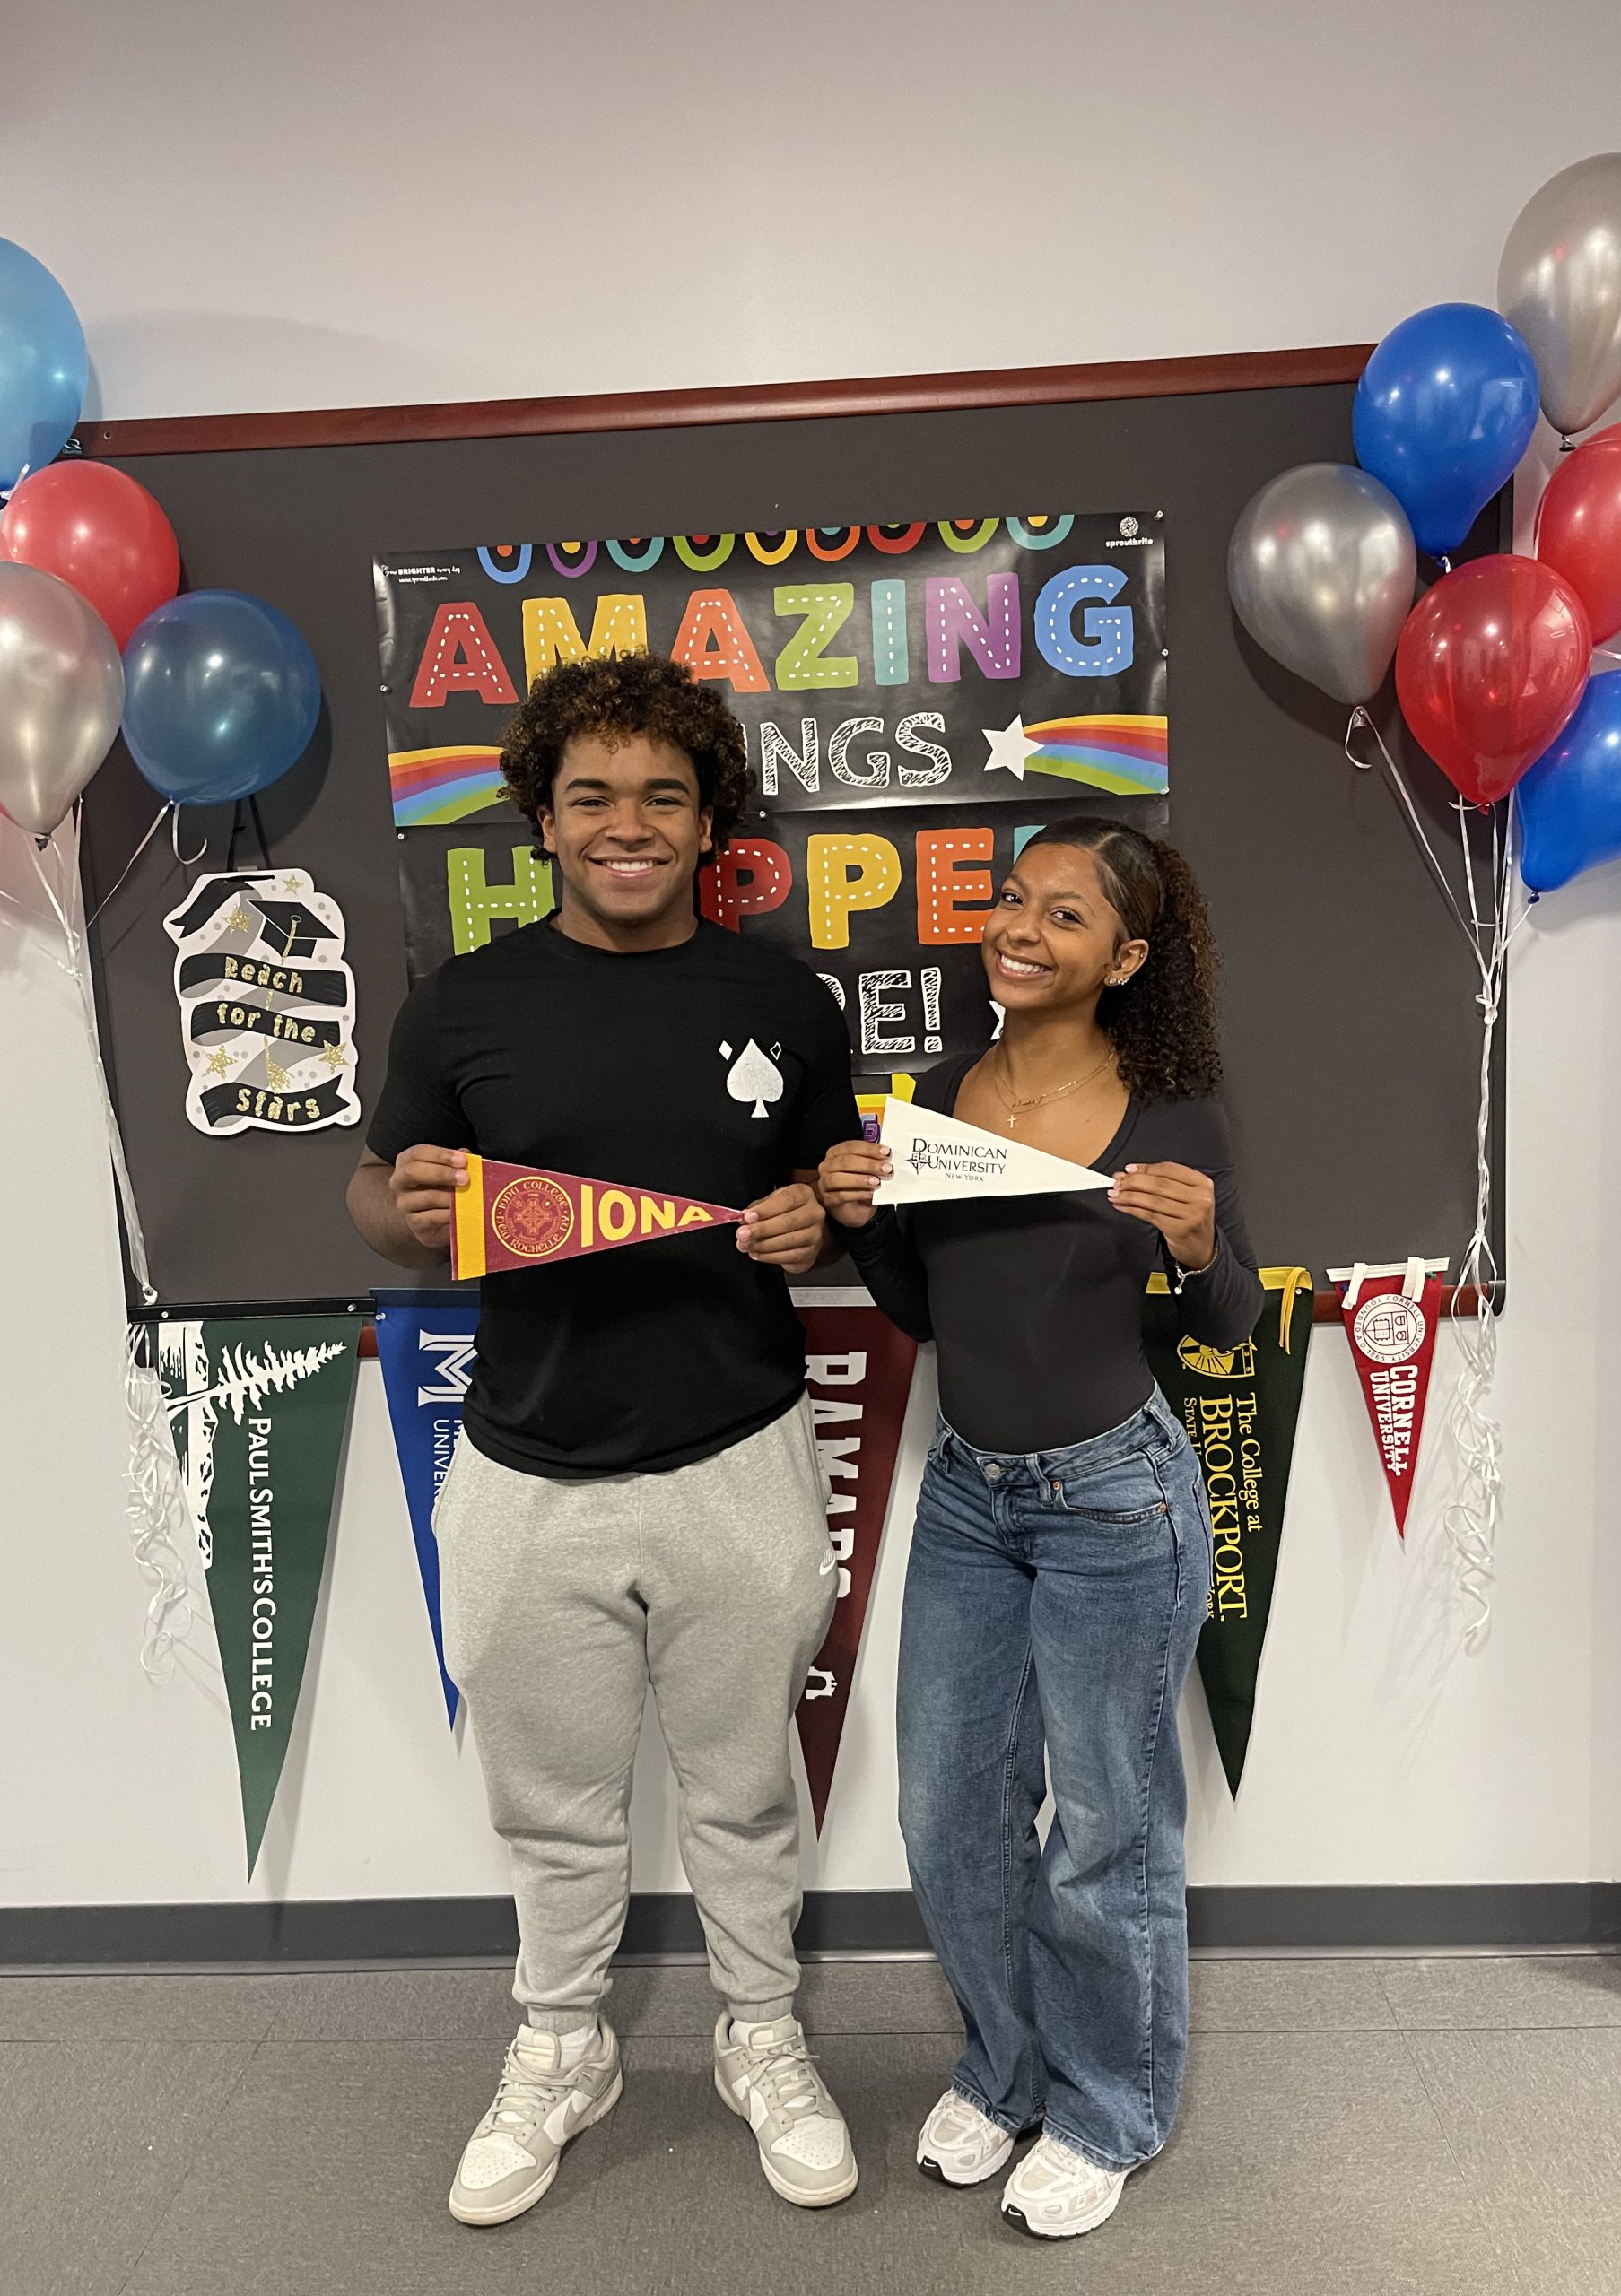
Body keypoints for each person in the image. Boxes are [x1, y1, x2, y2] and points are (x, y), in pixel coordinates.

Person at [350, 652, 861, 2224]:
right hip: (523, 1466)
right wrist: (412, 1215)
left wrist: (810, 1226)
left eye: (663, 796)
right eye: (593, 797)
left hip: (741, 1454)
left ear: (709, 820)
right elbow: (378, 1202)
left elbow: (835, 1203)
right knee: (551, 1801)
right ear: (543, 819)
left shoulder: (780, 996)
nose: (627, 824)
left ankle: (759, 2030)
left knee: (744, 1789)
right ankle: (562, 2045)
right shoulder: (463, 1006)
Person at [817, 820, 1259, 2241]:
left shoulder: (1175, 1108)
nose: (1020, 925)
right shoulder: (943, 1096)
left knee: (1108, 1832)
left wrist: (1200, 1250)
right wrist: (868, 1217)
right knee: (949, 1812)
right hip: (969, 1496)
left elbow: (1229, 1322)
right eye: (1012, 898)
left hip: (1116, 1501)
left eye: (1063, 915)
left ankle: (1108, 2110)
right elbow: (926, 1309)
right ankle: (1006, 2070)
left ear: (1123, 958)